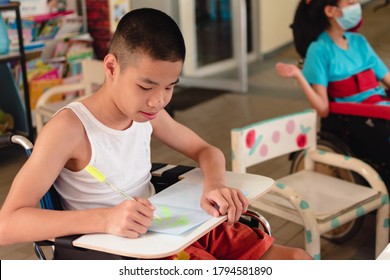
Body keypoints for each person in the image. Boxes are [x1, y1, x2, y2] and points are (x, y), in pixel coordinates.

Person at [0, 8, 311, 260]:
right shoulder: (69, 129)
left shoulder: (147, 113)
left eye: (170, 87)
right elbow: (7, 224)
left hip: (172, 229)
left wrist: (213, 187)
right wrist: (104, 219)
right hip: (121, 251)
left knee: (297, 261)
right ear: (111, 68)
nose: (159, 100)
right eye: (146, 86)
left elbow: (207, 151)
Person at [275, 0, 390, 117]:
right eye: (351, 4)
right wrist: (299, 76)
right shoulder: (319, 50)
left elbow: (387, 79)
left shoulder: (359, 41)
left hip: (382, 109)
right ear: (330, 11)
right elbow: (323, 110)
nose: (357, 7)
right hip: (364, 119)